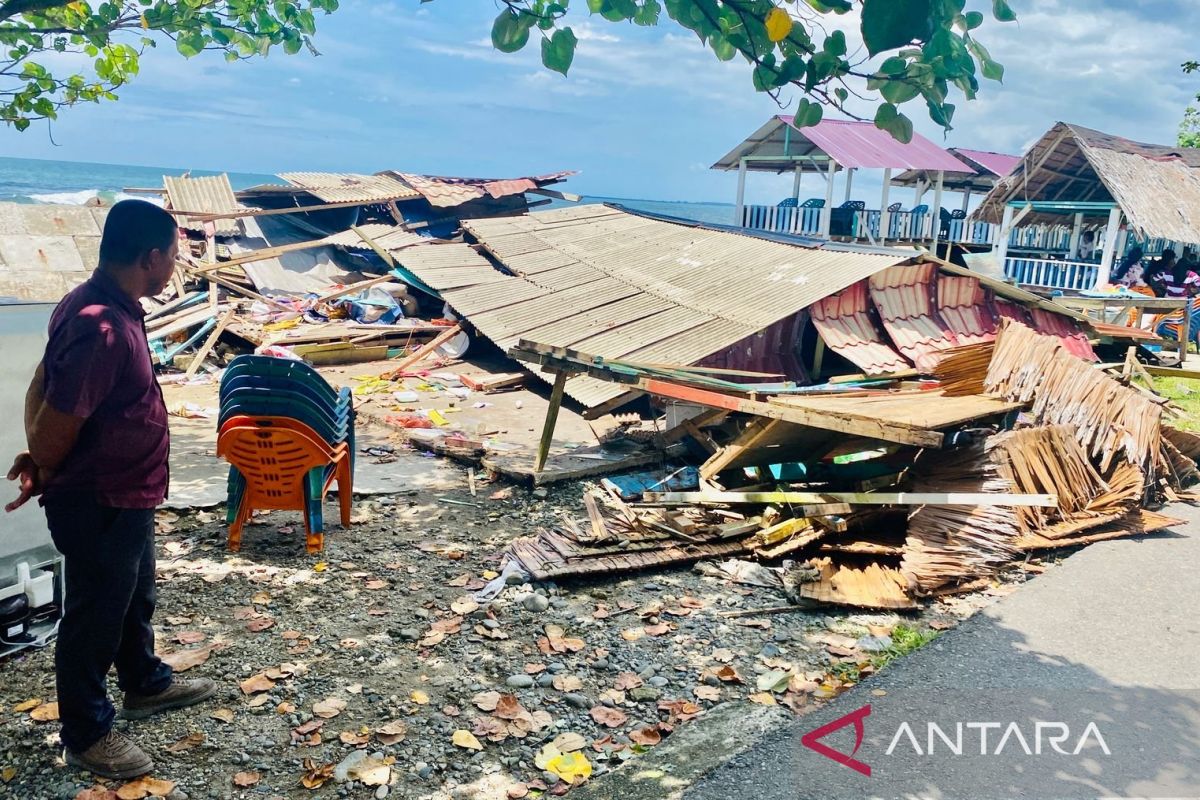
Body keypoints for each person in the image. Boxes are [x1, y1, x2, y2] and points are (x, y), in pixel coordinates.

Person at [5, 200, 216, 780]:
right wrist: (43, 458)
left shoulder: (101, 304)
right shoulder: (100, 325)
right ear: (150, 258)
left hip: (129, 493)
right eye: (173, 256)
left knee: (132, 596)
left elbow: (42, 382)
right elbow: (55, 406)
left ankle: (144, 682)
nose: (175, 266)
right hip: (99, 499)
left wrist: (41, 450)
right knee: (94, 616)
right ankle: (87, 733)